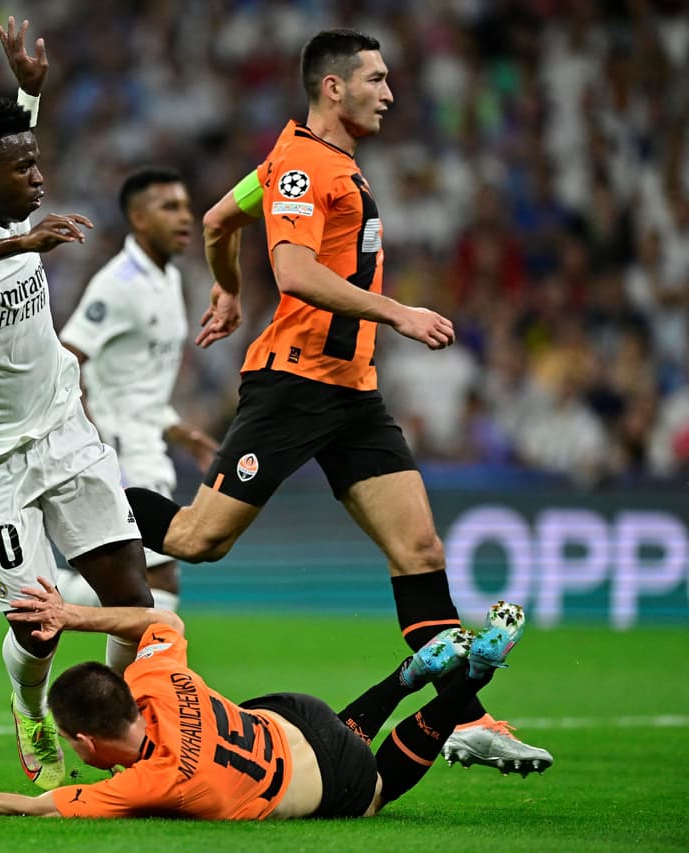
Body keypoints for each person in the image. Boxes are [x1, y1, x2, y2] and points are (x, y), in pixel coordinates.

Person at [121, 28, 553, 771]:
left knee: (419, 550)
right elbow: (293, 272)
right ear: (333, 87)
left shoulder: (309, 163)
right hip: (294, 384)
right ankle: (80, 499)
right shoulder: (300, 166)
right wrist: (398, 313)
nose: (389, 93)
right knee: (198, 540)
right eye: (375, 80)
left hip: (353, 393)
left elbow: (220, 221)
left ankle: (467, 718)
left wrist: (227, 288)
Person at [0, 19, 153, 791]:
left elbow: (10, 149)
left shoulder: (1, 189)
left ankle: (127, 725)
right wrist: (19, 245)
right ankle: (29, 704)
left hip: (62, 427)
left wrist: (27, 94)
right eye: (25, 170)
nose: (40, 179)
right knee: (39, 627)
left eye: (38, 162)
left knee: (132, 596)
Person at [0, 578, 534, 818]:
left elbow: (28, 806)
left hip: (331, 775)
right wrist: (71, 616)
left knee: (376, 789)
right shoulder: (154, 681)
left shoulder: (149, 782)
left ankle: (469, 677)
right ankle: (409, 674)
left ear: (87, 742)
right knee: (335, 734)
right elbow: (164, 621)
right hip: (293, 713)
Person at [0, 168, 217, 634]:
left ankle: (32, 592)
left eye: (185, 206)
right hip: (120, 448)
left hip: (148, 443)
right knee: (158, 584)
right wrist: (83, 433)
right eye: (169, 207)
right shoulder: (118, 284)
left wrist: (184, 433)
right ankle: (32, 597)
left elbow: (139, 383)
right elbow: (69, 355)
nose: (185, 217)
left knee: (150, 587)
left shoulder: (167, 280)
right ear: (139, 218)